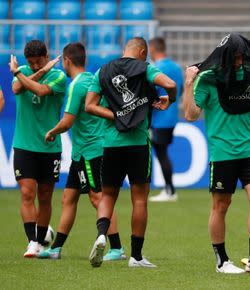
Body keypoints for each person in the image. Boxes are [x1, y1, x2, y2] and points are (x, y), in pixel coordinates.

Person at [184, 33, 250, 274]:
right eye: (236, 56)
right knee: (221, 206)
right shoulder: (208, 79)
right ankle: (222, 261)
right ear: (226, 55)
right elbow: (191, 115)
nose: (240, 61)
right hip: (222, 152)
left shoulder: (249, 75)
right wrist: (188, 84)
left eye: (243, 56)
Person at [85, 37, 177, 268]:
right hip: (137, 143)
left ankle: (101, 235)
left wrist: (115, 115)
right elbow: (171, 85)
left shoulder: (102, 71)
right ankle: (136, 256)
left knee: (107, 196)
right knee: (139, 200)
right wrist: (169, 101)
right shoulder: (144, 67)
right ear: (142, 51)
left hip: (111, 143)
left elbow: (90, 106)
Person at [38, 43, 125, 261]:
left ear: (67, 60)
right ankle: (56, 249)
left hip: (90, 151)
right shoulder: (92, 80)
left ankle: (117, 248)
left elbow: (67, 122)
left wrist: (51, 132)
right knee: (69, 198)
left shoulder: (76, 85)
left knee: (98, 199)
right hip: (84, 151)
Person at [9, 40, 67, 257]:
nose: (33, 66)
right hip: (24, 144)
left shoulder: (59, 76)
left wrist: (24, 74)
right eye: (30, 63)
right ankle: (32, 241)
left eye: (38, 62)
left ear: (46, 55)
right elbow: (16, 88)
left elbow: (41, 91)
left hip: (50, 146)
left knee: (44, 196)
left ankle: (42, 242)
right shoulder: (23, 72)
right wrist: (40, 70)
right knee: (26, 193)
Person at [147, 37, 184, 202]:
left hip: (159, 119)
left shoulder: (156, 69)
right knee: (162, 153)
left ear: (153, 49)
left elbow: (150, 93)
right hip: (171, 117)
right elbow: (180, 89)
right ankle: (169, 189)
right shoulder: (176, 67)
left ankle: (169, 191)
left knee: (161, 154)